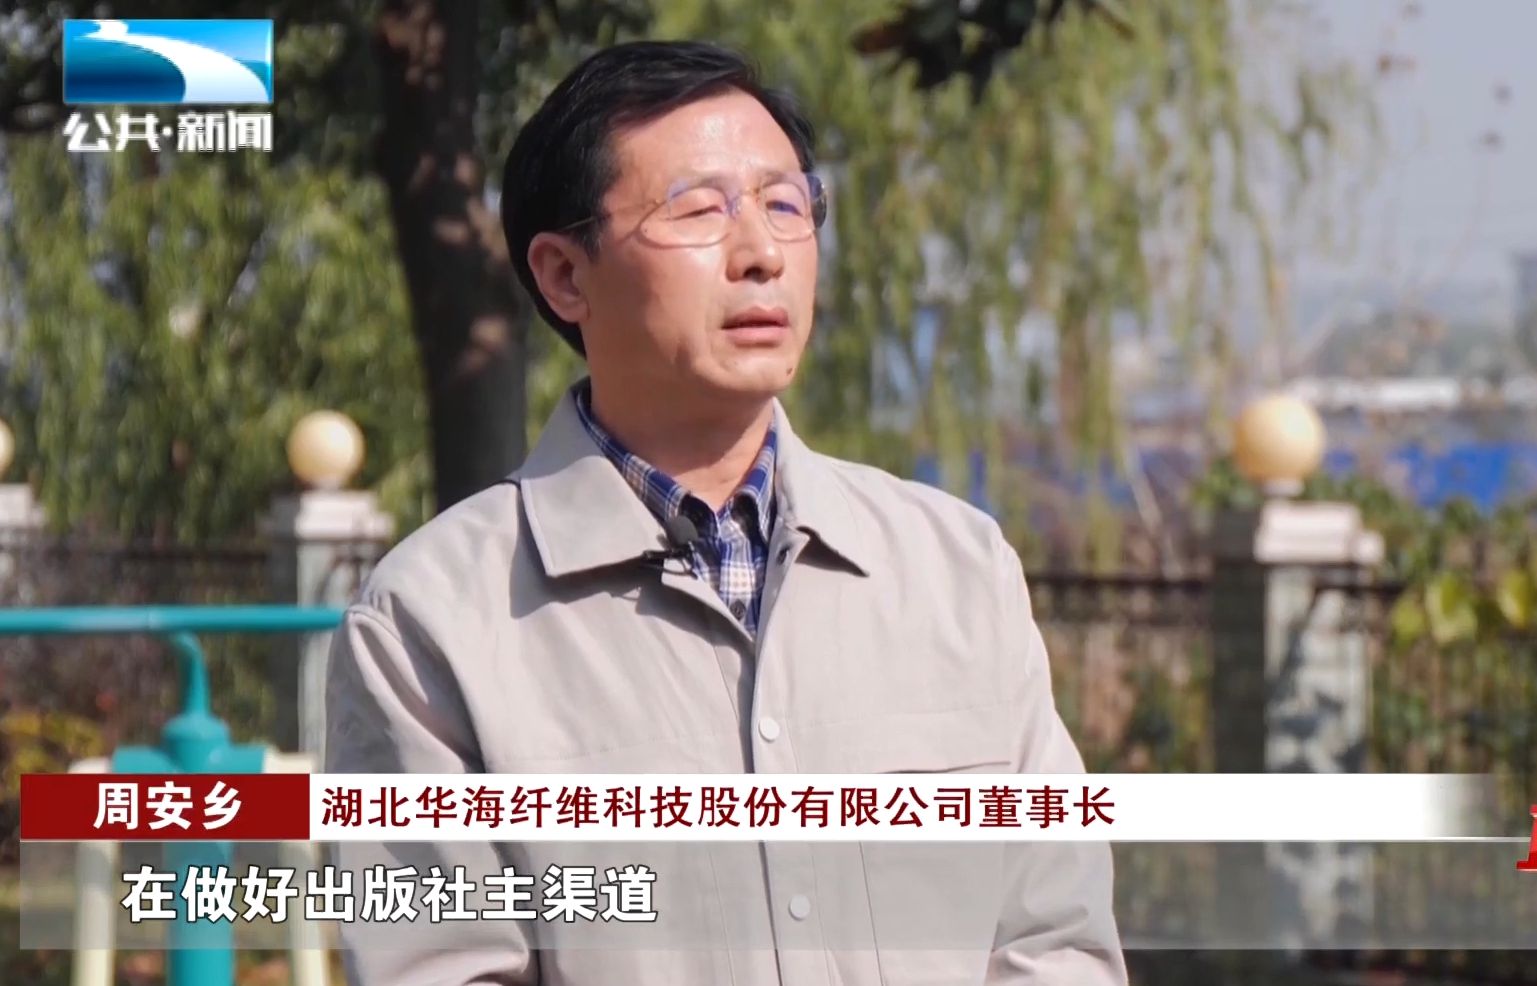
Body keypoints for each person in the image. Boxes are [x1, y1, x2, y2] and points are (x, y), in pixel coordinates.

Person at [322, 39, 1127, 986]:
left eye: (786, 206)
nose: (761, 255)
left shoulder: (957, 570)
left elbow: (1055, 937)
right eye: (698, 210)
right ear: (565, 275)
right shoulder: (433, 622)